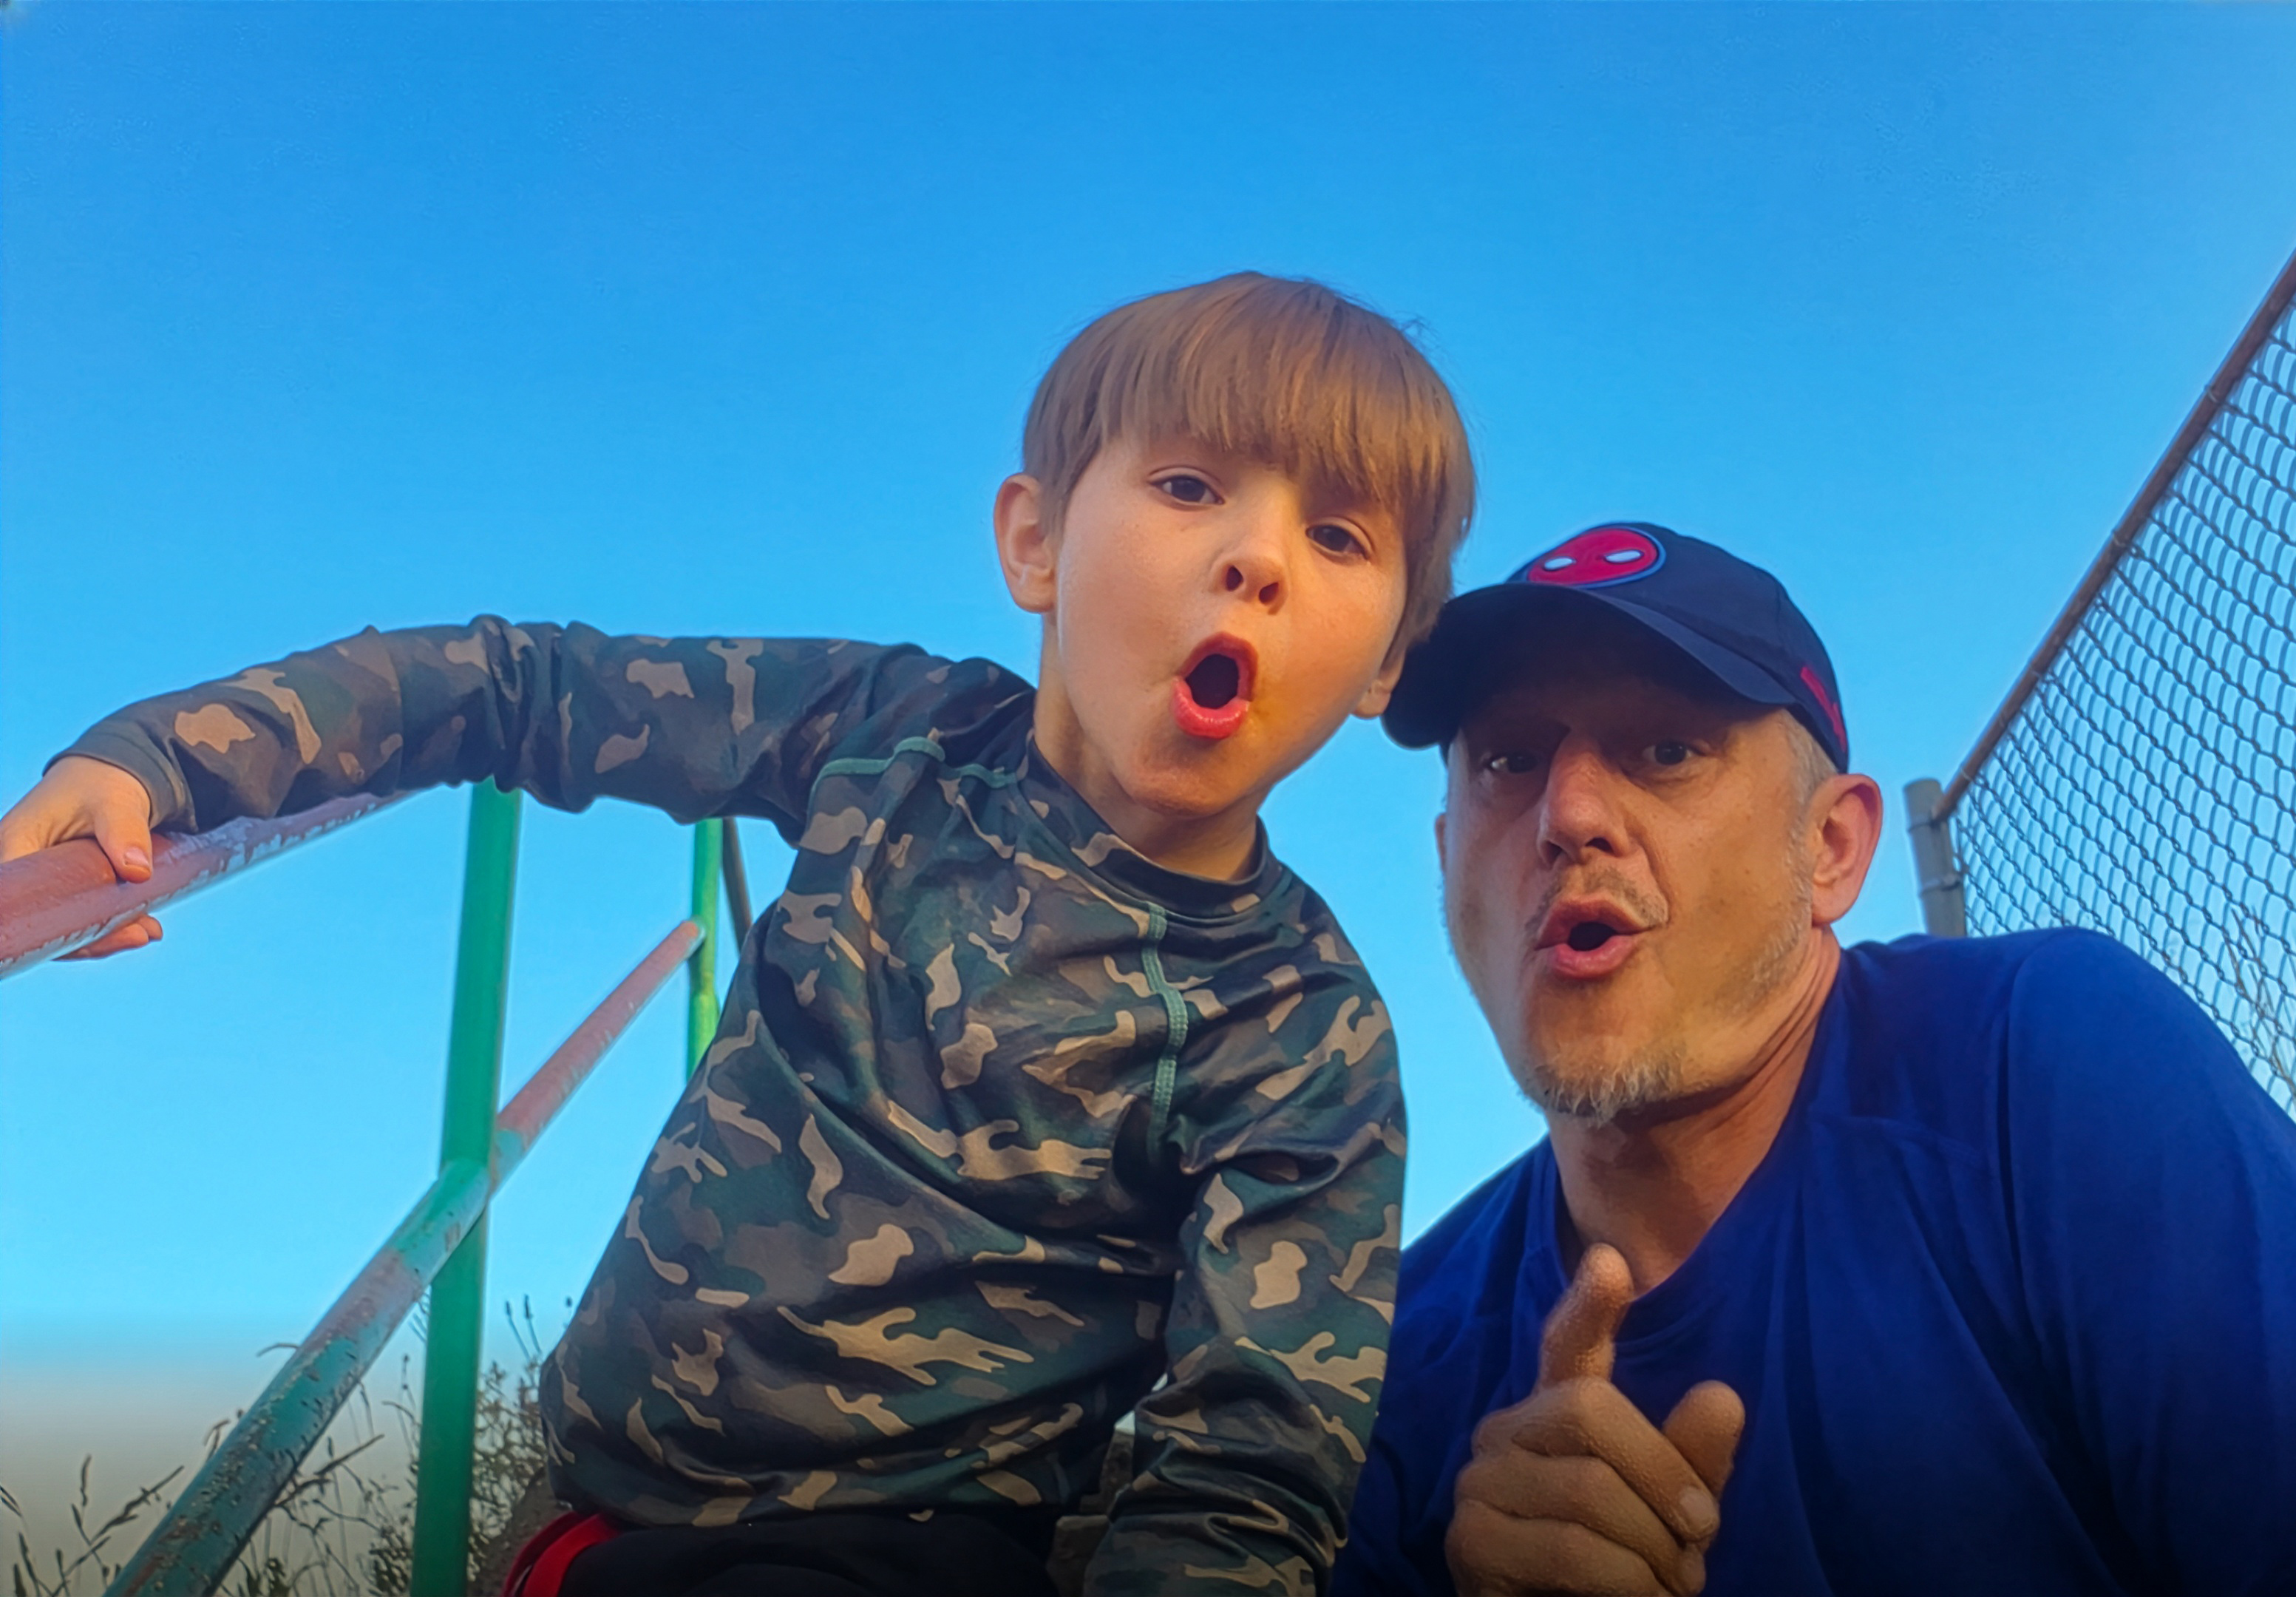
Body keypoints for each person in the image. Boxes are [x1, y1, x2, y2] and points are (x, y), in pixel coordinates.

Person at [0, 274, 1470, 1597]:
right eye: (1190, 484)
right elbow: (523, 689)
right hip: (593, 1506)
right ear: (1035, 540)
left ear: (1387, 663)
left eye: (1337, 536)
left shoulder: (1298, 1027)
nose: (1258, 560)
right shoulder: (891, 741)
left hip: (906, 1558)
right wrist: (164, 762)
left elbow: (1251, 1459)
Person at [1335, 523, 2296, 1596]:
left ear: (1833, 848)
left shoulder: (2051, 1068)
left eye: (1666, 750)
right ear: (1448, 862)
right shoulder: (1394, 1373)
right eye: (1507, 760)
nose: (1568, 814)